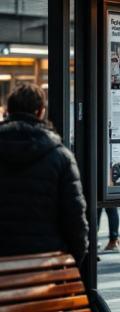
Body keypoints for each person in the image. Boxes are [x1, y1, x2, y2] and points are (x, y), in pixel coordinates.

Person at [0, 83, 88, 265]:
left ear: (8, 110)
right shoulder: (60, 156)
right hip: (46, 265)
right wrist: (73, 260)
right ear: (41, 112)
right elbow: (75, 220)